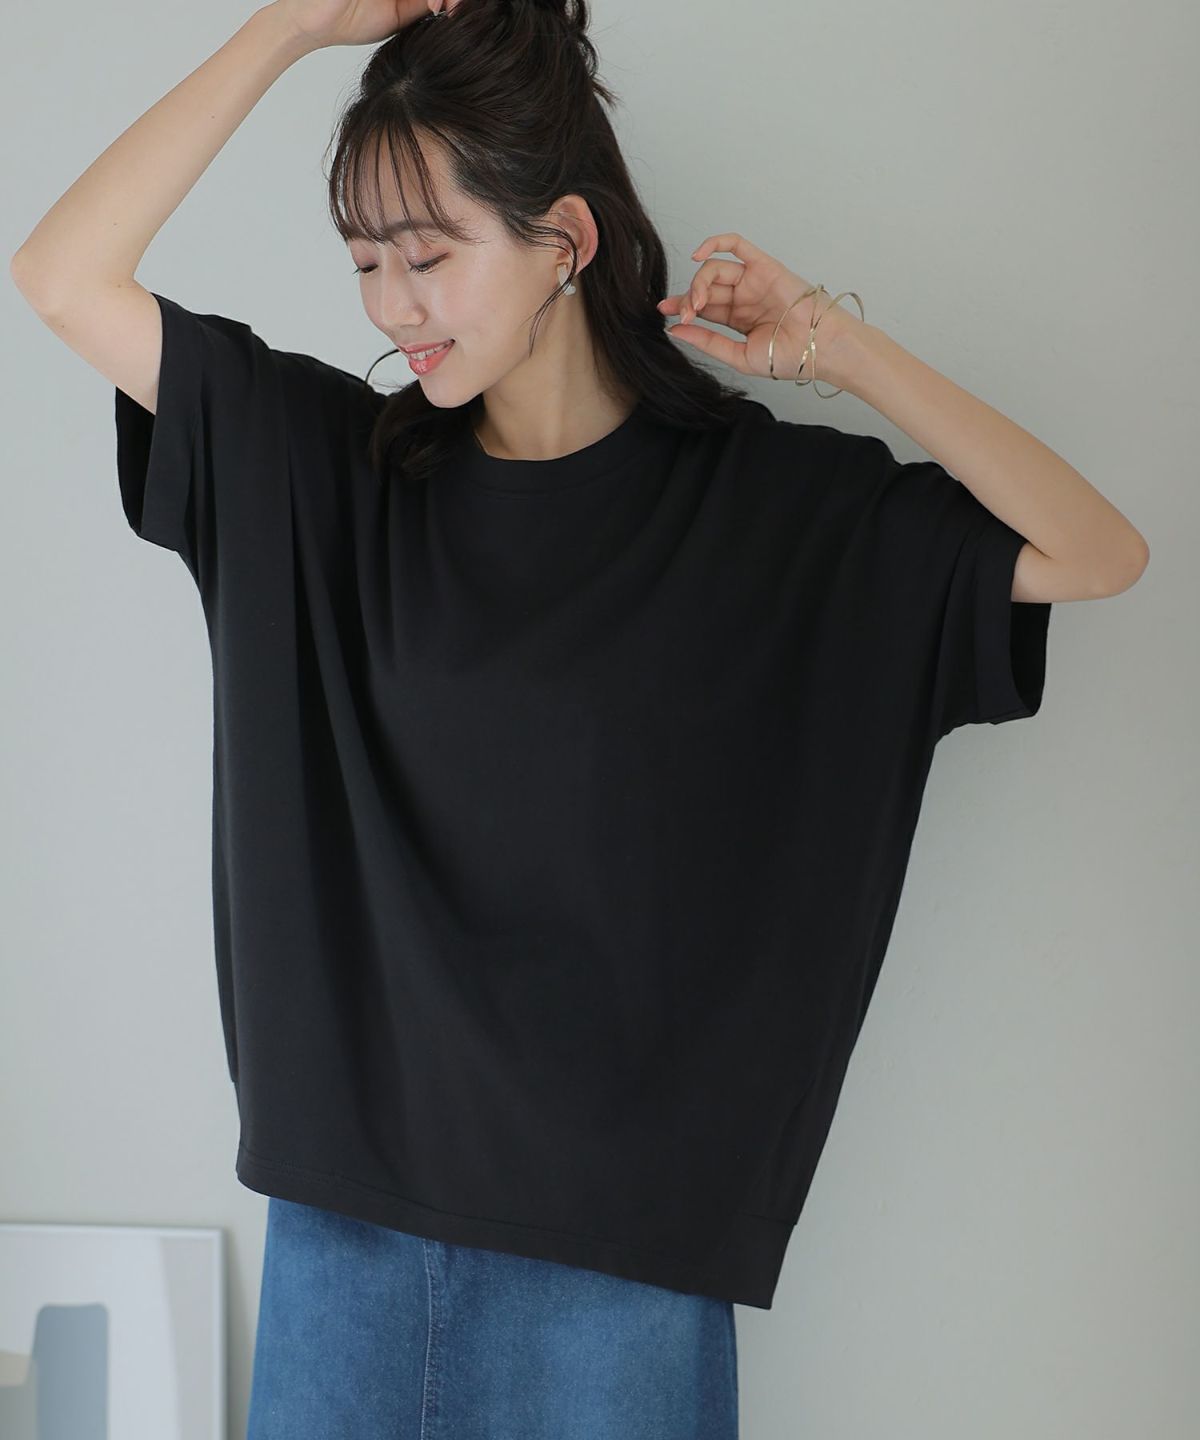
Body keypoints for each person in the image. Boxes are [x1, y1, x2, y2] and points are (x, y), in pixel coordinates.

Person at [10, 0, 1144, 1434]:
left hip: (617, 1282)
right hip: (344, 1250)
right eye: (364, 262)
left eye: (429, 256)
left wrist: (836, 347)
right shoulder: (328, 472)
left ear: (565, 241)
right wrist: (294, 24)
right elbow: (61, 276)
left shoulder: (768, 512)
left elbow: (1097, 554)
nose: (392, 307)